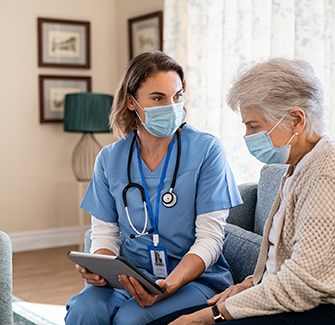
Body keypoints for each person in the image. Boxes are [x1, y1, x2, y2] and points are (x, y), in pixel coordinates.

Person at [158, 58, 335, 324]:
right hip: (308, 300)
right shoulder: (299, 165)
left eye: (254, 126)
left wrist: (213, 314)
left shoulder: (331, 169)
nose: (247, 135)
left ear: (296, 119)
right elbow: (289, 261)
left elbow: (307, 283)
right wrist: (250, 284)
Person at [65, 51, 242, 324]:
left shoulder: (206, 150)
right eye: (159, 98)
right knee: (84, 310)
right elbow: (105, 235)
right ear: (131, 102)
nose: (172, 106)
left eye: (177, 96)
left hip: (192, 281)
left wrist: (167, 286)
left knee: (131, 319)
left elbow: (210, 239)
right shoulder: (110, 159)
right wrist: (100, 268)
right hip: (130, 276)